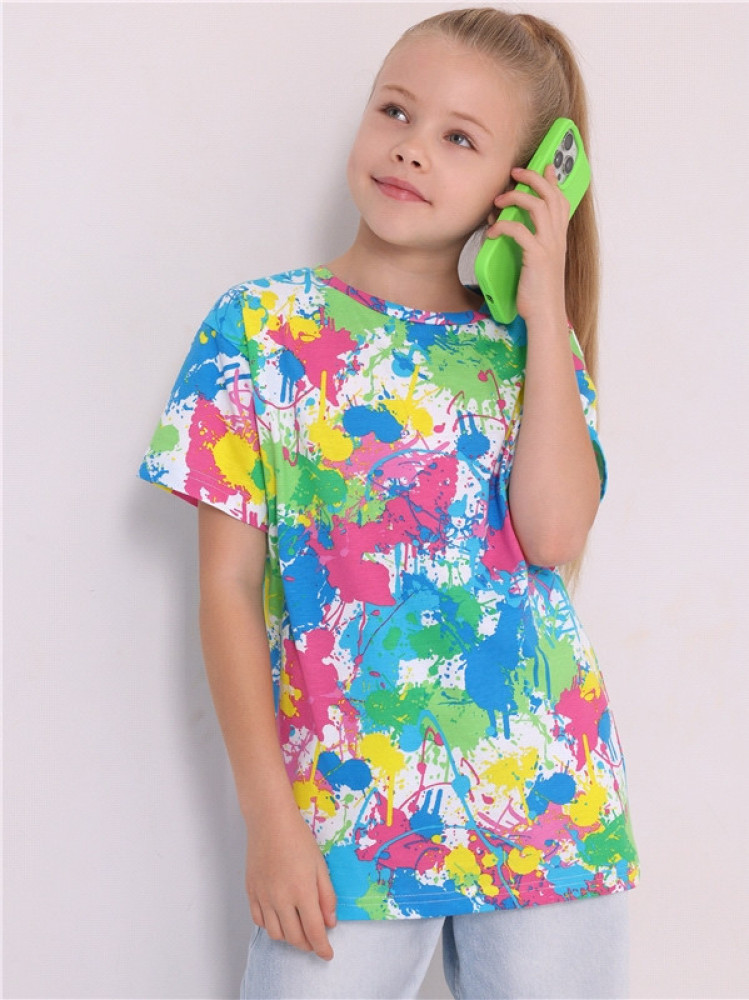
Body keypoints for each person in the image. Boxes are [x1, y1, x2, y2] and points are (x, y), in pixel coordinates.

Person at [140, 7, 639, 998]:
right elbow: (227, 590)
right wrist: (269, 820)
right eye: (395, 112)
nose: (410, 148)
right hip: (342, 822)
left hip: (548, 812)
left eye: (459, 138)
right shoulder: (257, 329)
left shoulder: (529, 354)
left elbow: (552, 533)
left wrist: (541, 307)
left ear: (522, 187)